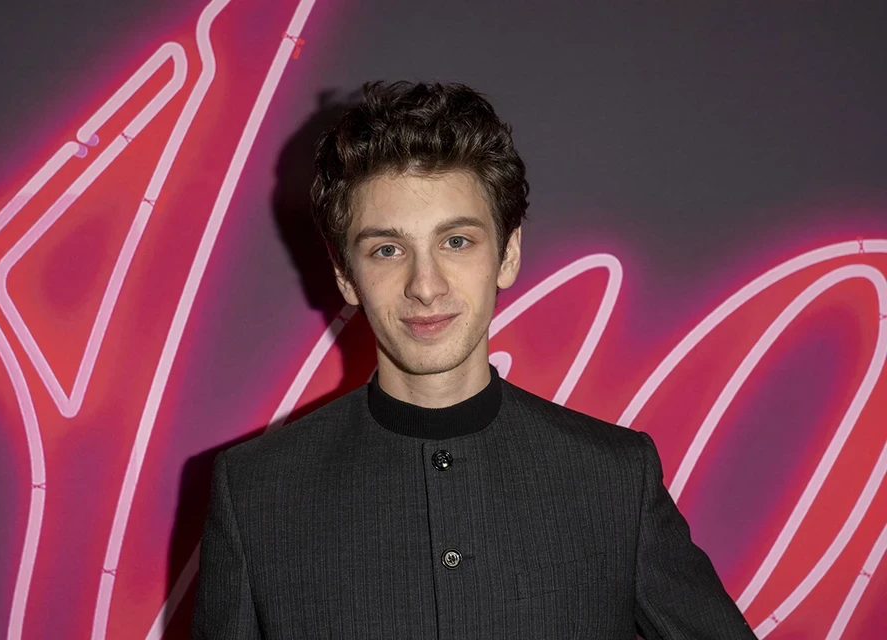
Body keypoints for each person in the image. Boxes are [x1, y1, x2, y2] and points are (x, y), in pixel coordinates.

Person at [192, 80, 757, 639]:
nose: (425, 285)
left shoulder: (614, 479)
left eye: (456, 241)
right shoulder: (257, 493)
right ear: (346, 275)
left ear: (507, 254)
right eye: (387, 249)